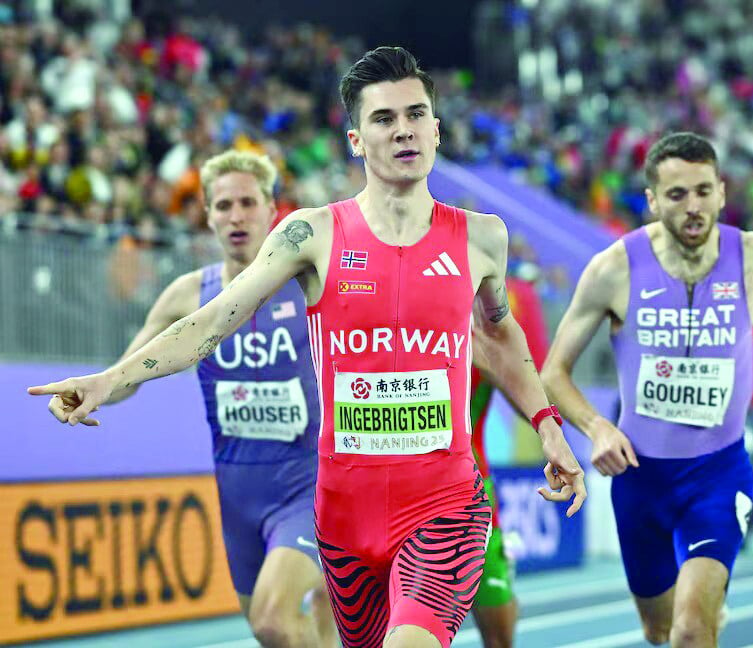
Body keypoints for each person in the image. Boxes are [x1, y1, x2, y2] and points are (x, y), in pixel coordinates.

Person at [29, 46, 586, 648]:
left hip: (444, 503)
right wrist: (109, 380)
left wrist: (547, 422)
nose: (403, 130)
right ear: (355, 140)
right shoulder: (311, 235)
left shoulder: (482, 237)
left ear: (436, 128)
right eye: (383, 119)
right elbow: (213, 320)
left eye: (415, 114)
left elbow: (500, 334)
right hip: (344, 514)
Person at [541, 132, 753, 648]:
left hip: (718, 472)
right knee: (658, 630)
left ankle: (702, 611)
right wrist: (597, 427)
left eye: (704, 191)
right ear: (653, 201)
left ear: (722, 192)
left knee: (689, 631)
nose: (694, 207)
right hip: (642, 477)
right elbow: (553, 372)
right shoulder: (614, 269)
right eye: (677, 195)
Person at [41, 150, 338, 648]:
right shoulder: (187, 294)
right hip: (237, 493)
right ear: (207, 215)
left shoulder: (307, 281)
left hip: (309, 486)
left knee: (272, 616)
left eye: (248, 202)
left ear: (272, 209)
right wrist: (93, 389)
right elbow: (129, 375)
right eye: (223, 206)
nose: (237, 216)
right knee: (277, 633)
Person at [469, 270, 552, 648]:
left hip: (472, 493)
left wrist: (497, 370)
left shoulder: (481, 330)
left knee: (499, 635)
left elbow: (531, 398)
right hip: (400, 493)